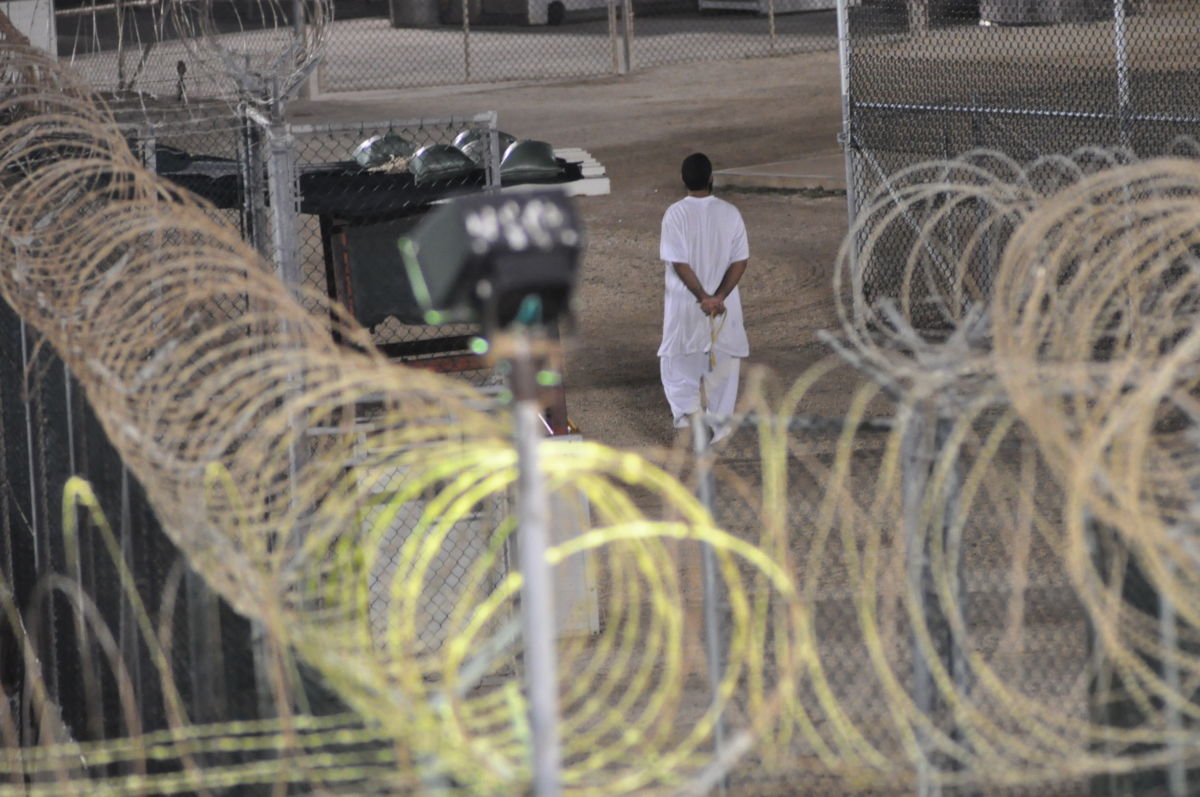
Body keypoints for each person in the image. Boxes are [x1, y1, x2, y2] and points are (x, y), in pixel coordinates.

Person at [658, 152, 749, 443]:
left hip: (685, 307)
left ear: (683, 180)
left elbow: (679, 262)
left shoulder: (675, 214)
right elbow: (740, 261)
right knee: (723, 367)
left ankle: (690, 417)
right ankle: (717, 428)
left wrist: (702, 297)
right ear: (712, 179)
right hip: (724, 309)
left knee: (676, 365)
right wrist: (718, 296)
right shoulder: (730, 213)